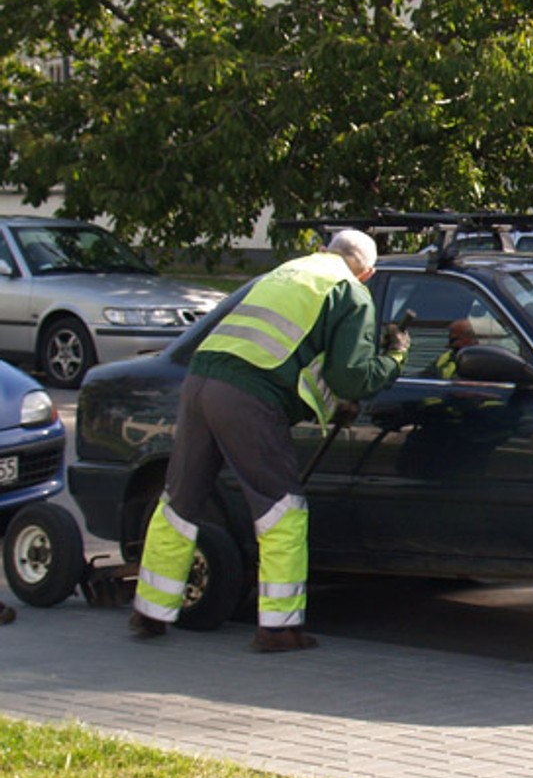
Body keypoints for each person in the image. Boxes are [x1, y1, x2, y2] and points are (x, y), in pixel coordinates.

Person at [130, 230, 409, 652]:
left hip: (199, 381)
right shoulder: (350, 293)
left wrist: (328, 405)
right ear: (368, 273)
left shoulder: (289, 271)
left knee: (180, 500)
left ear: (324, 250)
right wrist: (394, 358)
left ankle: (150, 611)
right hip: (246, 396)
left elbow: (296, 355)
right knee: (282, 508)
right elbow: (350, 376)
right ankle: (279, 629)